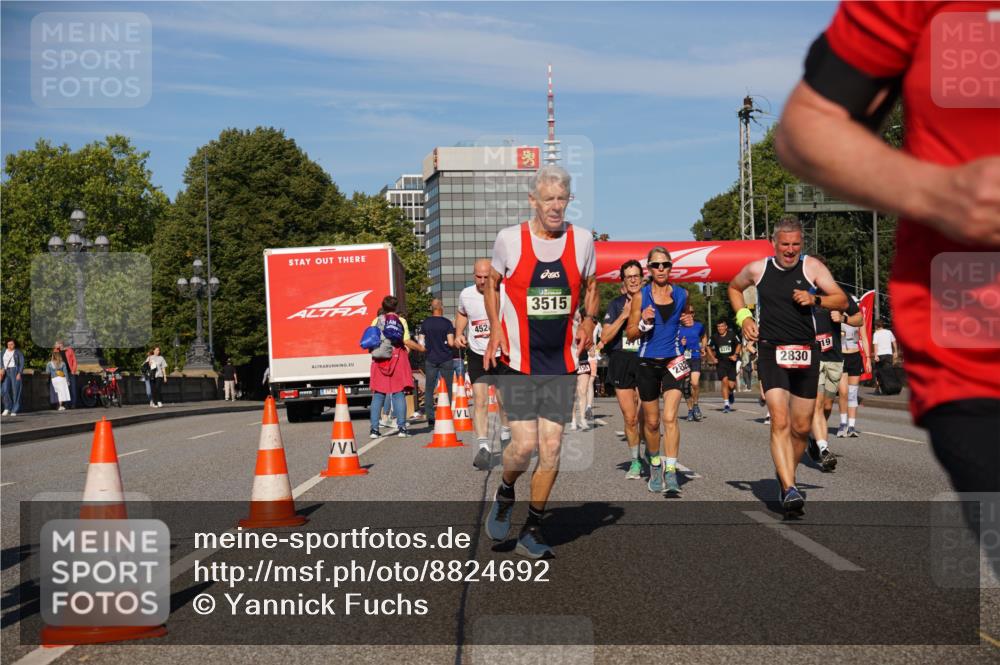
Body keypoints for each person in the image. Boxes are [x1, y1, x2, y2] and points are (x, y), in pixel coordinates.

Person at [774, 1, 1000, 493]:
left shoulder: (817, 276)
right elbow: (807, 128)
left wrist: (836, 309)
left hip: (842, 354)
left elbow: (849, 311)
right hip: (976, 355)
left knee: (824, 407)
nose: (791, 251)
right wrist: (939, 193)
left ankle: (833, 432)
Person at [483, 164, 598, 559]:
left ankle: (533, 526)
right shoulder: (509, 240)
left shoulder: (582, 241)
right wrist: (496, 329)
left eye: (561, 199)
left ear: (570, 201)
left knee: (551, 449)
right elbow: (493, 284)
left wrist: (589, 317)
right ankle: (506, 488)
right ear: (533, 200)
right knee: (524, 446)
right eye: (547, 199)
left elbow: (593, 284)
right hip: (516, 361)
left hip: (561, 364)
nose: (554, 206)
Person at [729, 217, 847, 517]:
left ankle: (786, 473)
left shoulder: (812, 268)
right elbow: (733, 287)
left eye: (796, 244)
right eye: (785, 244)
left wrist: (814, 298)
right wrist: (744, 317)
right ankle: (789, 487)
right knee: (780, 421)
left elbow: (841, 300)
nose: (790, 250)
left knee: (801, 427)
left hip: (807, 352)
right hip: (772, 351)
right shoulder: (758, 269)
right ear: (774, 243)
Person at [626, 247, 695, 495]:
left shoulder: (682, 294)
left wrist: (687, 321)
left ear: (671, 266)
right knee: (653, 423)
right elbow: (631, 333)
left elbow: (686, 317)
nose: (661, 269)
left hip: (673, 362)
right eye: (656, 265)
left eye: (665, 264)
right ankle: (655, 464)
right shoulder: (640, 296)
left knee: (670, 419)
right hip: (647, 362)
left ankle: (671, 470)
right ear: (649, 269)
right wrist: (644, 321)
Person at [807, 256, 864, 472]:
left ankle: (814, 438)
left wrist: (844, 319)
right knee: (818, 403)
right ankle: (824, 448)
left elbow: (860, 319)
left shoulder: (838, 295)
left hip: (834, 357)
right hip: (813, 356)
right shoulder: (803, 296)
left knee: (828, 406)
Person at [456, 259, 513, 471]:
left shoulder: (506, 292)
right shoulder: (466, 294)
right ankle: (483, 447)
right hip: (477, 352)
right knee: (479, 399)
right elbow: (462, 314)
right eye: (478, 277)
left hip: (502, 353)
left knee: (503, 400)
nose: (482, 281)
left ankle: (506, 434)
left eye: (486, 277)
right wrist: (458, 333)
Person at [601, 260, 645, 478]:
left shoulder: (652, 301)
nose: (633, 279)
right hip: (621, 360)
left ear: (643, 278)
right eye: (629, 277)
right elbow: (605, 337)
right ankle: (635, 461)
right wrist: (624, 316)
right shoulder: (615, 304)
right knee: (630, 418)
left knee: (647, 415)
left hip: (646, 359)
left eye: (636, 275)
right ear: (623, 281)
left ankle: (651, 449)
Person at [368, 296, 424, 438]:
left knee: (378, 394)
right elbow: (405, 340)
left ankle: (374, 429)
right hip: (397, 358)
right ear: (396, 307)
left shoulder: (376, 321)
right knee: (398, 393)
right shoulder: (401, 321)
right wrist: (420, 348)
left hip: (380, 359)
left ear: (383, 307)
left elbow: (372, 339)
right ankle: (402, 428)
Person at [421, 299, 456, 425]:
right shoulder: (447, 323)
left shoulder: (425, 323)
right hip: (446, 358)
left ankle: (430, 417)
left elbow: (421, 343)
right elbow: (451, 342)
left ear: (431, 308)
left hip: (430, 358)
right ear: (442, 308)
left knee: (429, 388)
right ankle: (448, 413)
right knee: (448, 387)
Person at [837, 304, 870, 437]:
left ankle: (851, 426)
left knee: (852, 393)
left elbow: (864, 338)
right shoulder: (837, 317)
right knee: (843, 392)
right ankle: (843, 423)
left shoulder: (859, 318)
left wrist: (868, 358)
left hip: (855, 356)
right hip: (841, 355)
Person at [677, 302, 707, 421]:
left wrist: (703, 347)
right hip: (681, 358)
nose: (689, 315)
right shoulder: (677, 328)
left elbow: (704, 336)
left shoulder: (699, 326)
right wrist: (681, 344)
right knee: (685, 387)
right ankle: (690, 410)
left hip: (695, 356)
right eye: (686, 313)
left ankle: (695, 406)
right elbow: (672, 343)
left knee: (694, 383)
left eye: (691, 313)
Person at [707, 320, 742, 413]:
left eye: (722, 326)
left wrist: (735, 355)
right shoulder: (714, 337)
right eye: (718, 327)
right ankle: (726, 404)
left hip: (731, 363)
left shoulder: (732, 334)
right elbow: (708, 346)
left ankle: (730, 393)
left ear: (726, 327)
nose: (720, 328)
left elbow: (739, 344)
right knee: (724, 381)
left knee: (731, 385)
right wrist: (712, 358)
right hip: (721, 363)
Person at [870, 319, 898, 393]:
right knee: (888, 372)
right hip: (889, 355)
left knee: (878, 372)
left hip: (880, 355)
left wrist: (875, 355)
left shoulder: (876, 334)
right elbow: (894, 341)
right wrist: (895, 352)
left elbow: (876, 345)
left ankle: (877, 389)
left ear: (876, 326)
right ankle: (889, 388)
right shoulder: (889, 332)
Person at [1, 339, 25, 416]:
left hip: (14, 371)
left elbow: (21, 363)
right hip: (5, 371)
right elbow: (0, 360)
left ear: (14, 344)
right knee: (4, 390)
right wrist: (1, 368)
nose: (10, 346)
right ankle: (7, 407)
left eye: (11, 344)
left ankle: (14, 409)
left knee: (16, 391)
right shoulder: (3, 351)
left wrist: (19, 373)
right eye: (8, 344)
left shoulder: (18, 352)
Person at [55, 340, 78, 408]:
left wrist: (73, 370)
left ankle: (73, 404)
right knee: (65, 389)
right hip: (62, 373)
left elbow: (74, 361)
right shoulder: (56, 351)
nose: (56, 345)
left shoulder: (69, 350)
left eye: (57, 343)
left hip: (70, 371)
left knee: (72, 388)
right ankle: (67, 404)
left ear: (61, 344)